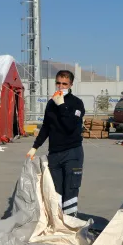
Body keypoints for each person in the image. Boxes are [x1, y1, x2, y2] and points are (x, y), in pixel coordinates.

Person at [27, 70, 86, 217]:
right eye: (58, 83)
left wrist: (62, 106)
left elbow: (71, 126)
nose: (61, 87)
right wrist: (35, 147)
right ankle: (58, 222)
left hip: (72, 153)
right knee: (56, 191)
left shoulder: (76, 104)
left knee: (71, 190)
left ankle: (70, 222)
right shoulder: (51, 103)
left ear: (71, 84)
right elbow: (46, 127)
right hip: (54, 153)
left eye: (64, 84)